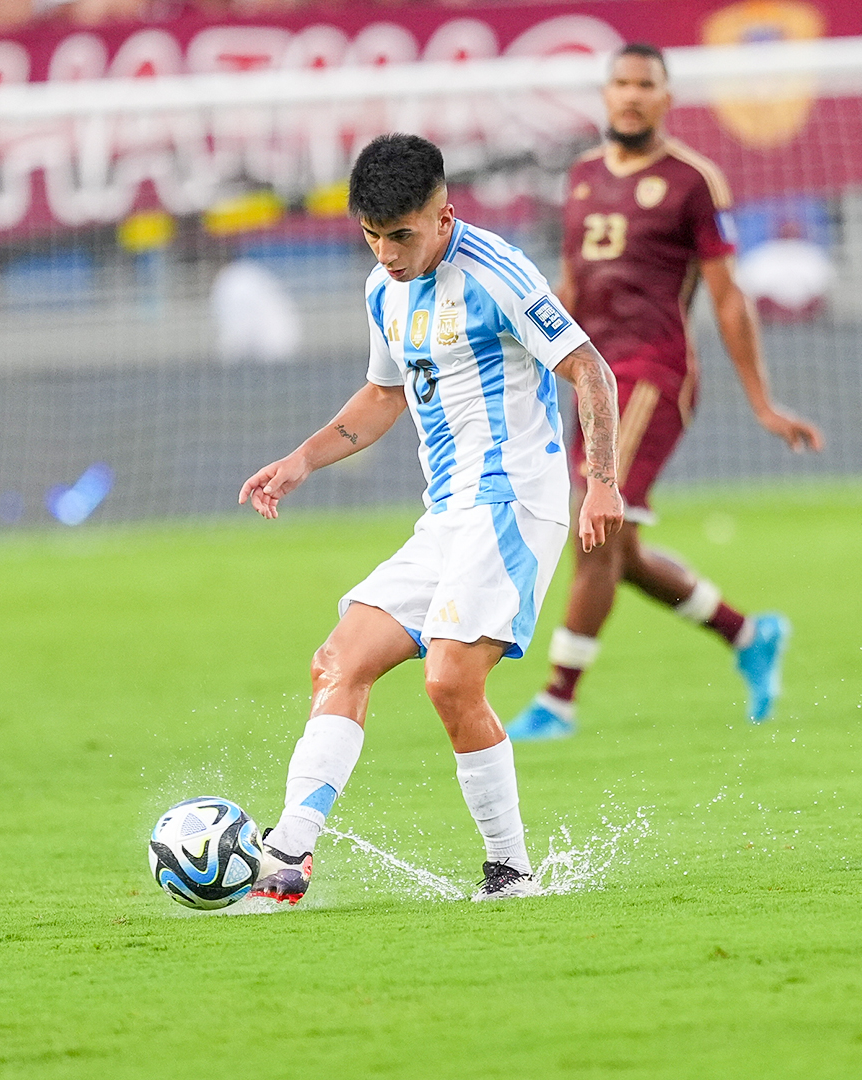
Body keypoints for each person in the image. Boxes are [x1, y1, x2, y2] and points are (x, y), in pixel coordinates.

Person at [238, 133, 623, 904]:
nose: (385, 251)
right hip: (446, 518)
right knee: (339, 660)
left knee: (450, 680)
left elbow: (590, 368)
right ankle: (290, 853)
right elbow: (383, 395)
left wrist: (602, 482)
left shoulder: (497, 273)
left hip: (514, 503)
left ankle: (510, 871)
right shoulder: (384, 289)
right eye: (372, 235)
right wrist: (303, 459)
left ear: (444, 215)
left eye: (402, 234)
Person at [506, 43, 824, 742]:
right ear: (605, 94)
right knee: (618, 547)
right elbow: (571, 288)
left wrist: (762, 402)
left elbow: (728, 298)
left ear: (666, 97)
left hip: (652, 374)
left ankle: (558, 700)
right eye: (619, 83)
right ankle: (748, 635)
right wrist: (523, 352)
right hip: (592, 374)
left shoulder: (692, 181)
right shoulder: (583, 176)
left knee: (594, 531)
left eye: (644, 84)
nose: (630, 95)